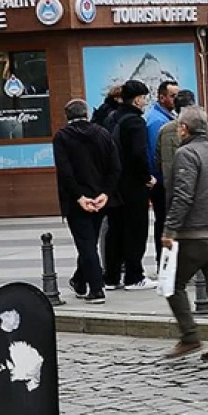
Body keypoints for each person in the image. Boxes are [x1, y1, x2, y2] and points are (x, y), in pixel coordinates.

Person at [160, 107, 208, 362]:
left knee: (172, 283)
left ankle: (190, 336)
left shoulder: (187, 153)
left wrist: (170, 229)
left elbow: (183, 195)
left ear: (184, 128)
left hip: (195, 233)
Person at [54, 99, 119, 304]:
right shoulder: (103, 134)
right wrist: (105, 193)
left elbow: (65, 171)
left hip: (76, 200)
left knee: (86, 244)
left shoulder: (62, 137)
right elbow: (115, 167)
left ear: (67, 115)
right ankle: (79, 281)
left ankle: (96, 289)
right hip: (99, 197)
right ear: (87, 114)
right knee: (89, 242)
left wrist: (78, 196)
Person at [105, 79, 157, 291]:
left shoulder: (111, 118)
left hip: (113, 184)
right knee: (136, 230)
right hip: (133, 185)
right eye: (144, 98)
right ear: (137, 100)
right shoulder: (135, 122)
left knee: (115, 230)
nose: (144, 102)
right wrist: (147, 177)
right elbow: (138, 154)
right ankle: (134, 276)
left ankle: (111, 276)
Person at [146, 79, 180, 263]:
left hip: (164, 180)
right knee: (165, 222)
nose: (176, 99)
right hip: (162, 182)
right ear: (162, 97)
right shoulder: (157, 122)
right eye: (173, 96)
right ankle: (164, 261)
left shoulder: (165, 117)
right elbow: (154, 155)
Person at [157, 90, 198, 185]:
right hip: (194, 183)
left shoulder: (164, 130)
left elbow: (158, 161)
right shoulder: (201, 127)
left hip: (171, 183)